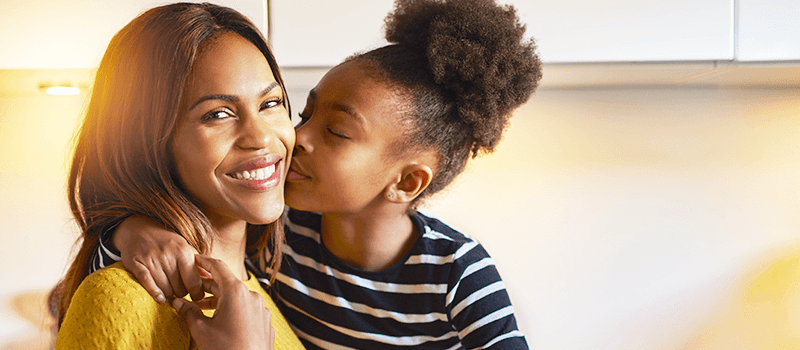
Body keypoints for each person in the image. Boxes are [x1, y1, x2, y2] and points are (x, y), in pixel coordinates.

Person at [95, 0, 542, 348]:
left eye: (335, 131)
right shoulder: (278, 235)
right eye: (304, 113)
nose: (296, 137)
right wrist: (129, 231)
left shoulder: (457, 272)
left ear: (406, 183)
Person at [47, 3, 305, 349]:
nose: (260, 137)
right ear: (147, 143)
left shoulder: (262, 291)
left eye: (270, 103)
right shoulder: (121, 300)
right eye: (217, 114)